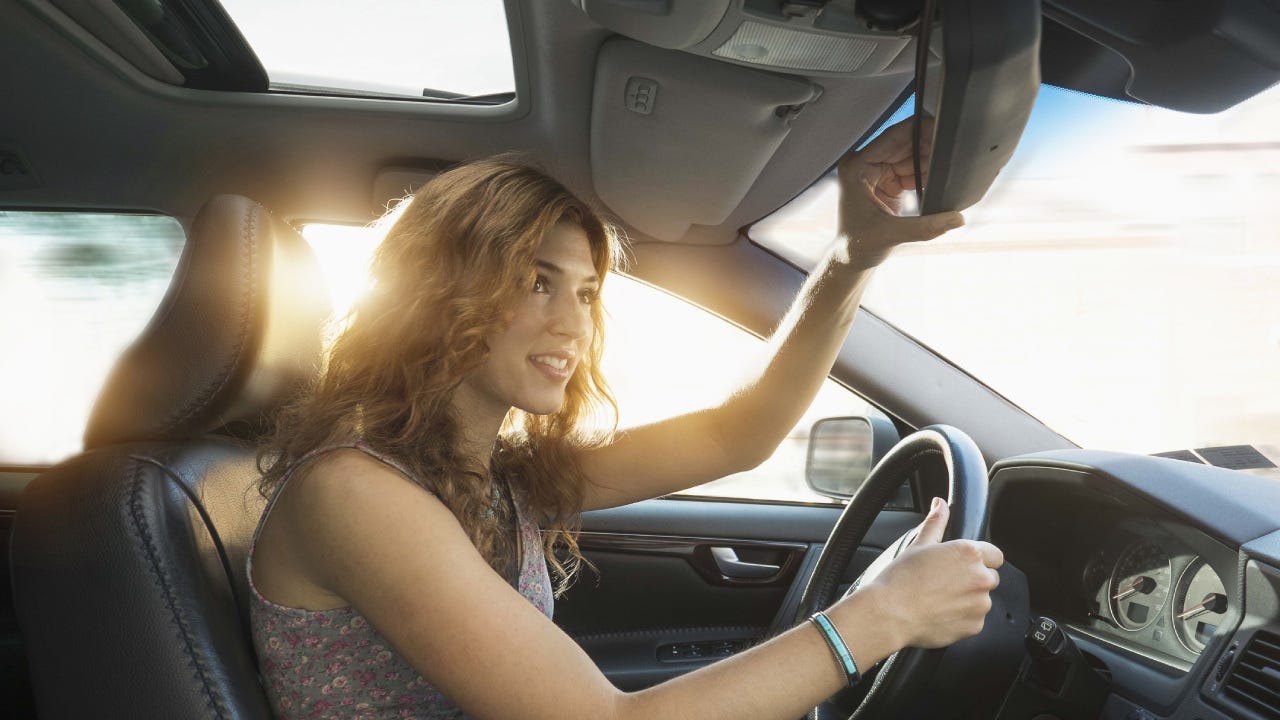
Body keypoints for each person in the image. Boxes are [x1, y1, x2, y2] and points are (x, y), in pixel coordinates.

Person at [248, 117, 1003, 720]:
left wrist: (851, 256)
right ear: (438, 292)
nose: (574, 326)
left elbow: (737, 434)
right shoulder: (354, 492)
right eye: (536, 281)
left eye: (583, 293)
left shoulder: (494, 474)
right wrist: (883, 617)